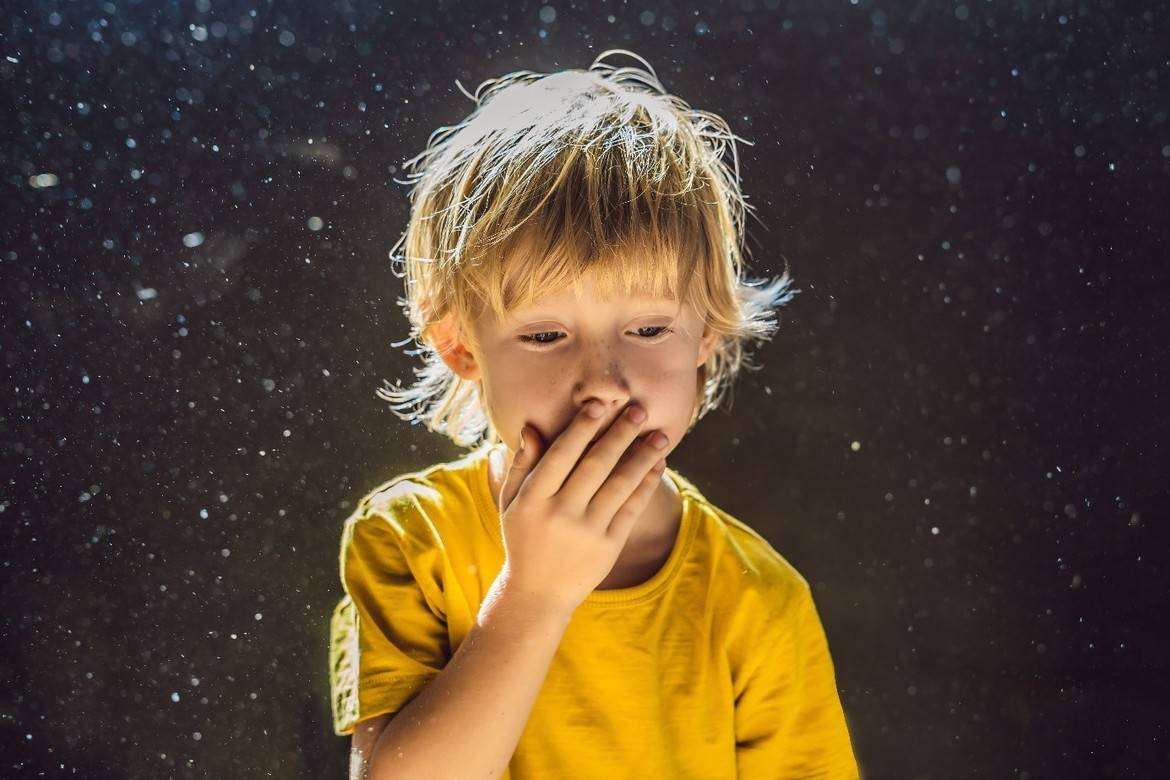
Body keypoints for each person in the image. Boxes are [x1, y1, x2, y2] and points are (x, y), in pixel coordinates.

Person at [328, 49, 861, 779]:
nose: (603, 386)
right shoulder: (409, 540)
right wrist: (536, 595)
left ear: (706, 332)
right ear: (459, 346)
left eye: (647, 330)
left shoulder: (759, 601)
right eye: (546, 336)